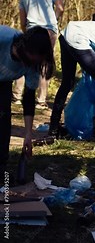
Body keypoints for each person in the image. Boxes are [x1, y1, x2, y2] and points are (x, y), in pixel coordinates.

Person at [0, 25, 54, 184]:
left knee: (3, 119)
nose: (33, 64)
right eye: (33, 59)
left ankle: (1, 164)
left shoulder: (33, 65)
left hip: (3, 81)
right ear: (25, 48)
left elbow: (29, 98)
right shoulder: (3, 37)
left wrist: (28, 135)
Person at [12, 0, 64, 109]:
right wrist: (53, 20)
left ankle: (18, 96)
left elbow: (23, 21)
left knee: (26, 61)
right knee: (45, 63)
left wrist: (26, 33)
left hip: (32, 30)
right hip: (49, 30)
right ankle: (41, 101)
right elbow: (60, 8)